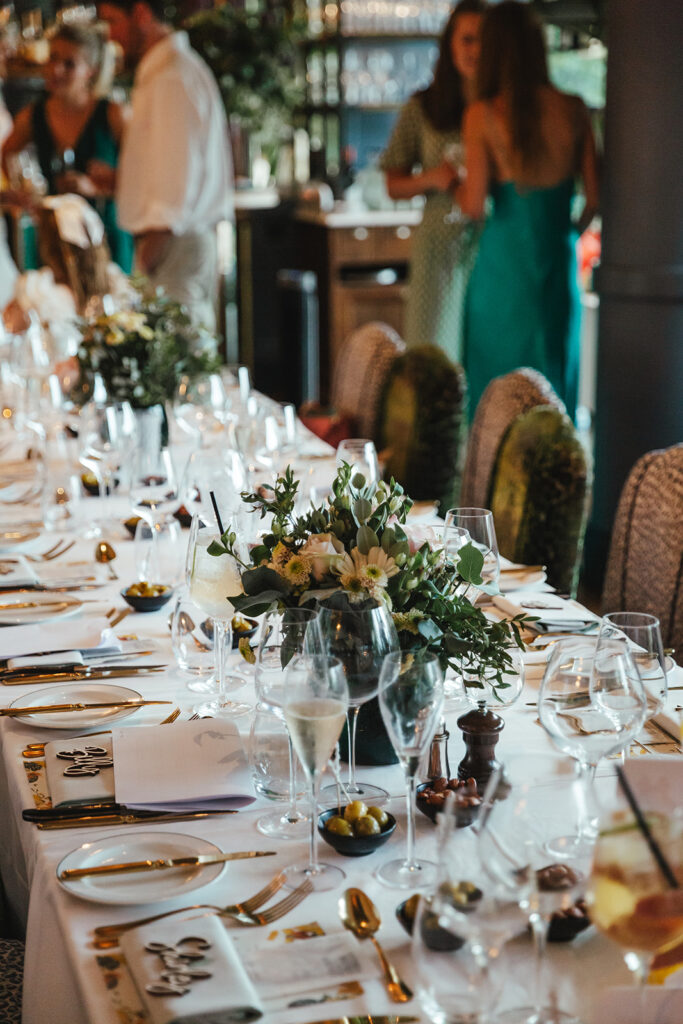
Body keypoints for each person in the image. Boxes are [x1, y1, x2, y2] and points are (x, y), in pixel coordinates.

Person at [457, 0, 599, 420]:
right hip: (556, 264)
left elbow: (472, 206)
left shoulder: (481, 115)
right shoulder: (574, 109)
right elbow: (595, 198)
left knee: (496, 403)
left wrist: (449, 181)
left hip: (501, 273)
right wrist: (564, 231)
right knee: (553, 393)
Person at [97, 0, 233, 329]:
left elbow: (173, 197)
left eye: (113, 21)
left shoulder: (171, 78)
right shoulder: (166, 72)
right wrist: (123, 182)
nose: (110, 36)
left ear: (141, 14)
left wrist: (140, 272)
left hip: (173, 251)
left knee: (182, 370)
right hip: (172, 248)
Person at [379, 0, 485, 363]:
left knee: (481, 355)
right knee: (431, 357)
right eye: (467, 40)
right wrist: (433, 179)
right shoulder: (423, 107)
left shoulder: (501, 110)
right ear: (450, 44)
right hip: (438, 245)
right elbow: (393, 185)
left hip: (489, 244)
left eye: (484, 40)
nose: (476, 50)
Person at [1, 23, 134, 273]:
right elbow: (6, 155)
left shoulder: (114, 115)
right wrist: (23, 191)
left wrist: (97, 187)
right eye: (52, 58)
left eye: (69, 63)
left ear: (90, 71)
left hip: (106, 240)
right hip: (53, 244)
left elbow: (143, 176)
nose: (55, 70)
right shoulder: (32, 116)